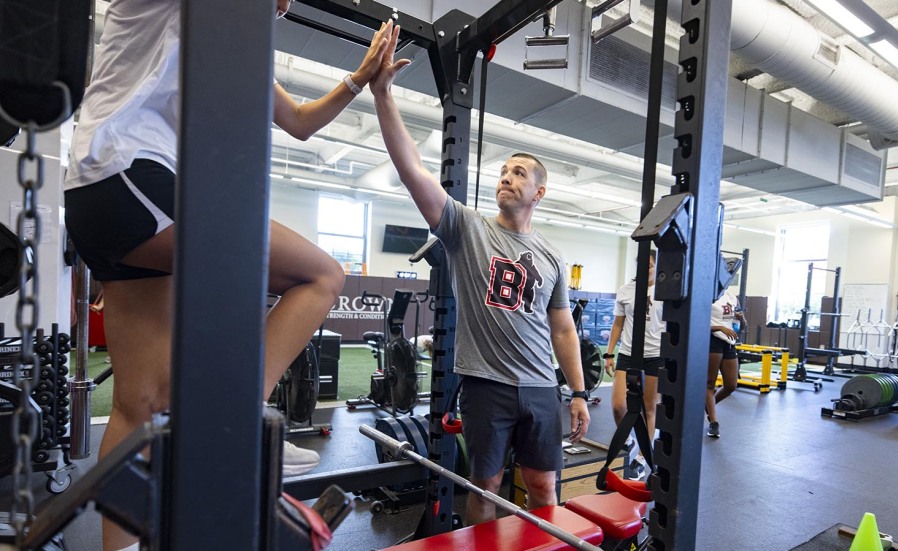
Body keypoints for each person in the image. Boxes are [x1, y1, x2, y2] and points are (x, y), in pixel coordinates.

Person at [63, 1, 394, 549]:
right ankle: (241, 417)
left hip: (103, 192)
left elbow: (301, 122)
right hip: (129, 174)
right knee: (322, 276)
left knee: (137, 404)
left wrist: (361, 79)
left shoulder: (226, 42)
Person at [369, 26, 591, 526]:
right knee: (485, 486)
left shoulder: (551, 255)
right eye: (503, 171)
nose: (506, 178)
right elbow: (412, 172)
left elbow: (563, 329)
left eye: (519, 173)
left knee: (541, 485)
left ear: (539, 192)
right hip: (486, 386)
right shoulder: (466, 228)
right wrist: (382, 94)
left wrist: (576, 392)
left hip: (540, 387)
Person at [603, 251, 663, 477]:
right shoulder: (626, 290)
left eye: (649, 265)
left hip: (655, 354)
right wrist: (609, 354)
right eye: (641, 265)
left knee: (649, 409)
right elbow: (618, 325)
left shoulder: (665, 293)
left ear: (658, 266)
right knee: (619, 406)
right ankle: (627, 438)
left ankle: (641, 459)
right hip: (628, 353)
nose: (644, 269)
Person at [706, 287, 742, 438]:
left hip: (729, 343)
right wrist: (719, 327)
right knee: (709, 383)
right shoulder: (708, 295)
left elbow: (741, 327)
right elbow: (697, 323)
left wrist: (742, 319)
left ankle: (709, 406)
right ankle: (713, 422)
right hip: (712, 340)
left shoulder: (732, 297)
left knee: (731, 385)